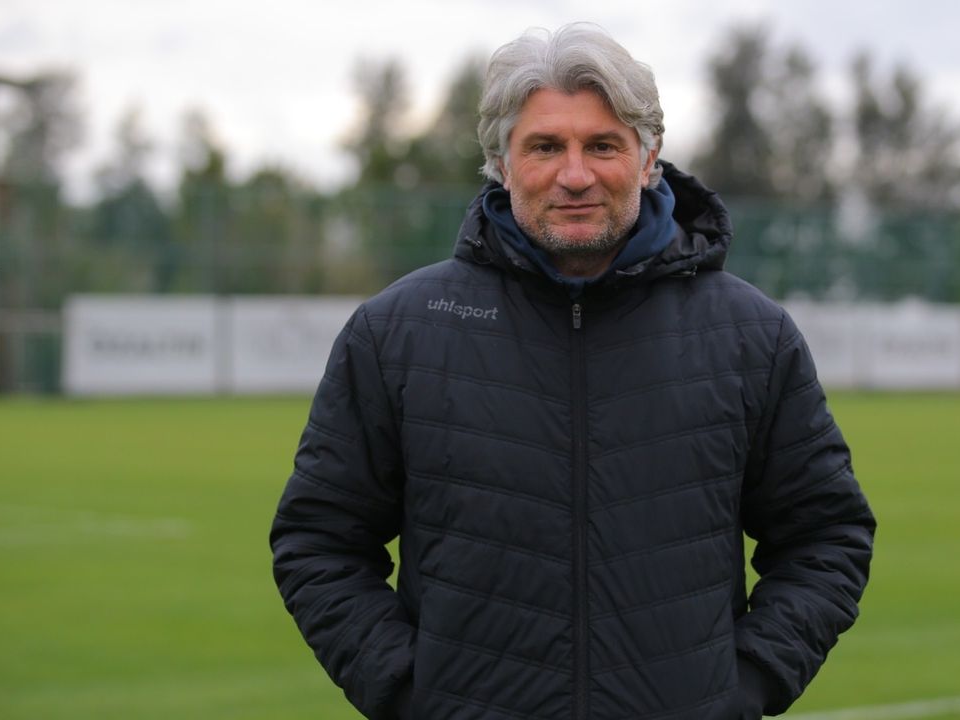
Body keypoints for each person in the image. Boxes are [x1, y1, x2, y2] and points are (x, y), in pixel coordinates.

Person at [271, 23, 875, 720]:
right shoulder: (396, 332)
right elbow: (318, 541)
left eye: (603, 146)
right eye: (546, 147)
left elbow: (826, 537)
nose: (576, 175)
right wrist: (414, 693)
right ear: (502, 163)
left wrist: (745, 684)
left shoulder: (752, 337)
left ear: (648, 160)